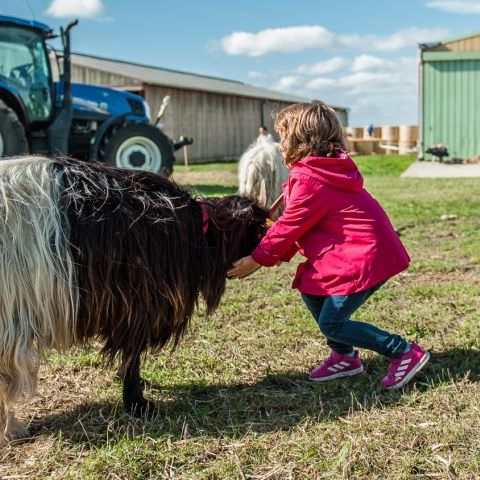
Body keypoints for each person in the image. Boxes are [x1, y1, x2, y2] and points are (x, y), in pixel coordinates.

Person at [228, 102, 429, 390]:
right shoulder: (321, 171)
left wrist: (257, 259)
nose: (281, 143)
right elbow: (297, 223)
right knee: (313, 290)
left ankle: (403, 351)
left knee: (333, 322)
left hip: (364, 258)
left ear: (299, 140)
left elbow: (289, 227)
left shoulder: (312, 179)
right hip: (354, 253)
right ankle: (345, 357)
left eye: (284, 136)